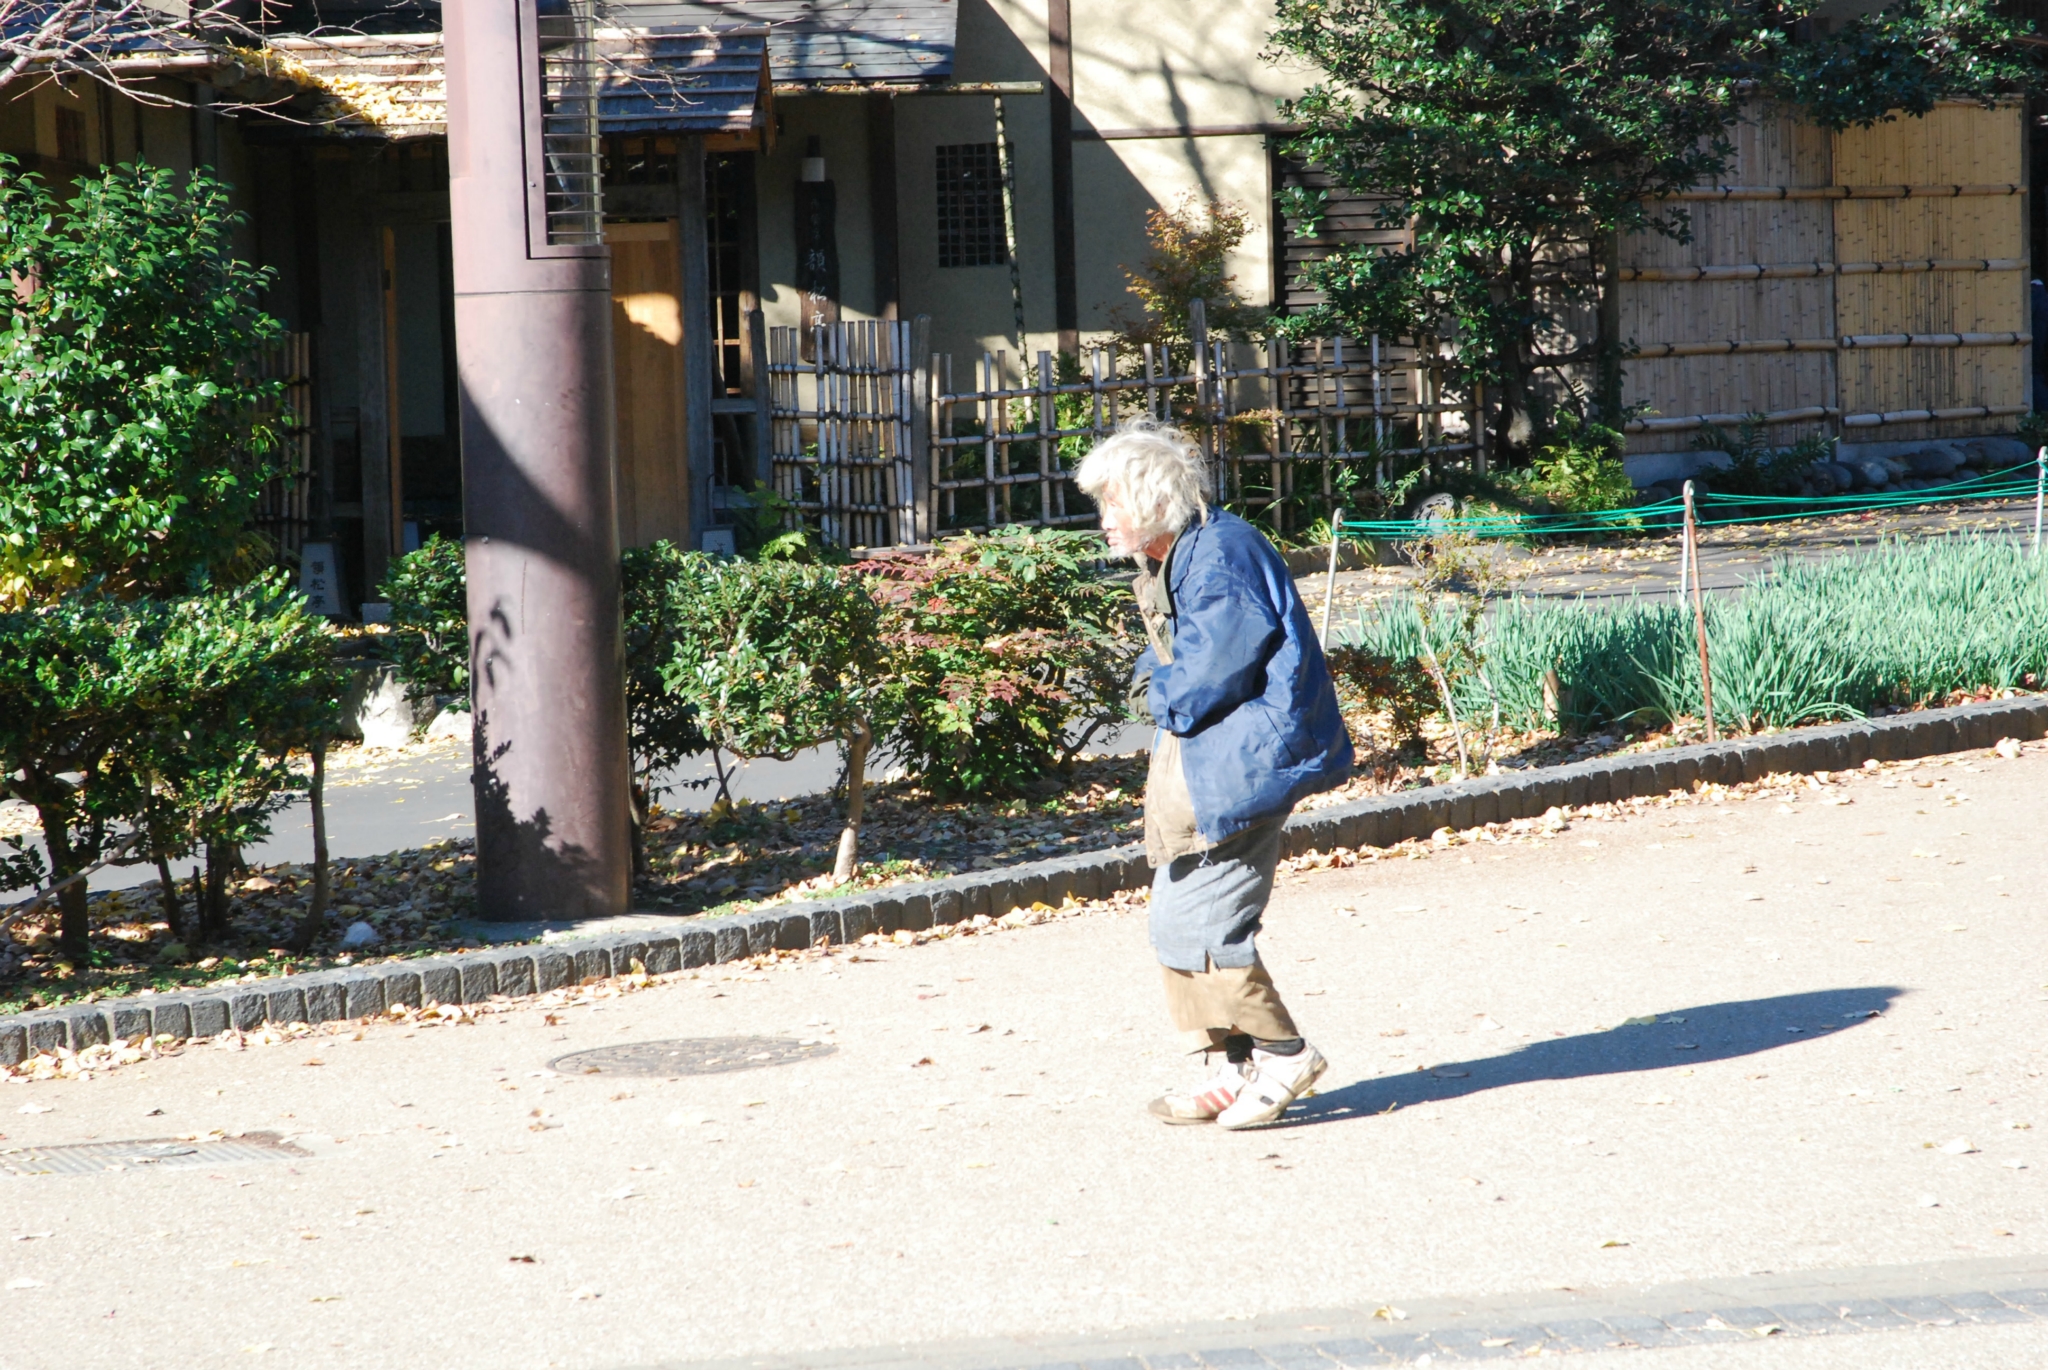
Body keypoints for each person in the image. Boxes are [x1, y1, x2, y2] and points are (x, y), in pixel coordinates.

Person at [1075, 419, 1354, 1129]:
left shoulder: (1220, 555)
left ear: (1153, 502)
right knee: (1175, 915)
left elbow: (1197, 679)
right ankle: (1227, 1068)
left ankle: (1285, 1053)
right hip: (1212, 755)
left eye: (1112, 503)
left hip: (1245, 760)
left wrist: (1150, 686)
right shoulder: (1182, 555)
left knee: (1207, 922)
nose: (1103, 520)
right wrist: (1159, 685)